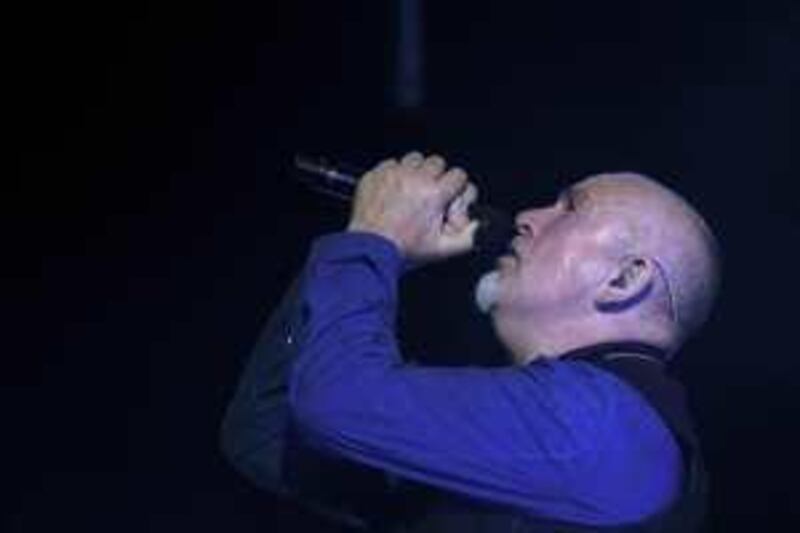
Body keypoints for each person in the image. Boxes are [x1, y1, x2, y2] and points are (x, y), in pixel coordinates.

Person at [220, 152, 721, 532]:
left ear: (626, 279)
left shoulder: (608, 427)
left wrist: (373, 243)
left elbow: (336, 402)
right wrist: (379, 255)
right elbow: (266, 434)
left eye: (569, 209)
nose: (528, 214)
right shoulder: (542, 429)